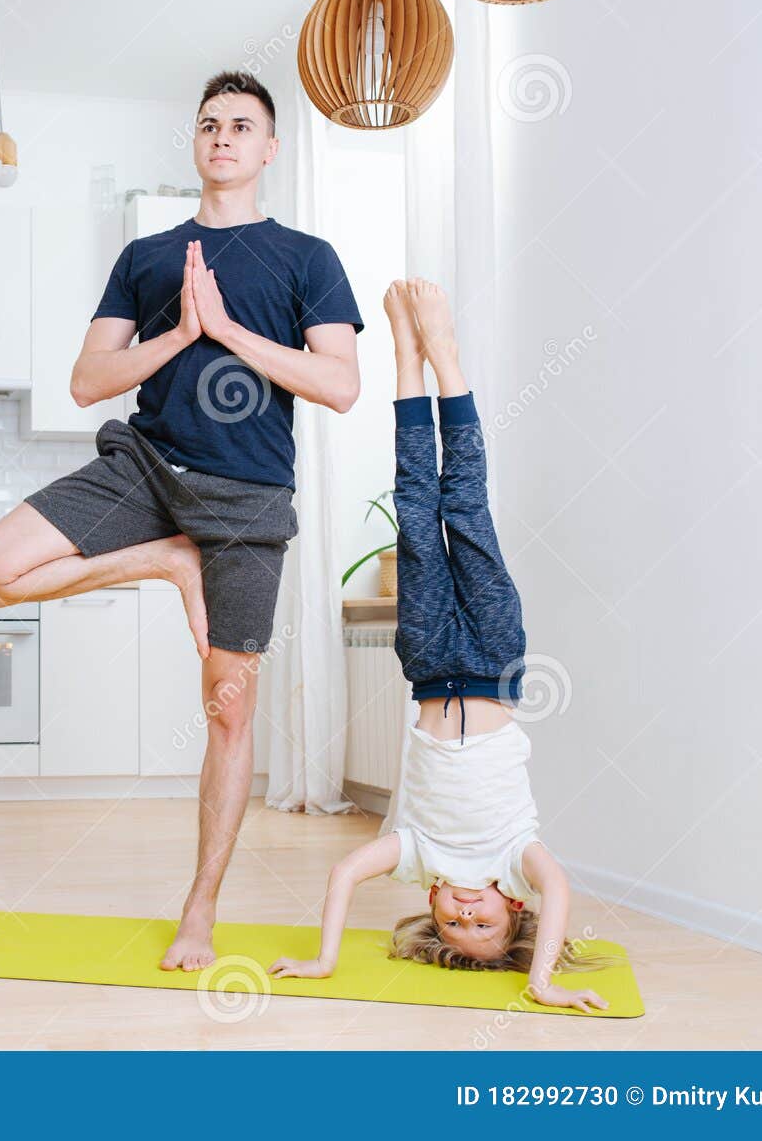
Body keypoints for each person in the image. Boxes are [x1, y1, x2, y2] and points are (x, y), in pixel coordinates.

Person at [0, 69, 363, 971]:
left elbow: (339, 384)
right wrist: (179, 333)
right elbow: (87, 379)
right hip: (145, 467)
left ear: (268, 148)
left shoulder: (308, 257)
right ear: (197, 142)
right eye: (211, 124)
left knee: (227, 709)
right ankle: (167, 560)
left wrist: (231, 331)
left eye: (242, 126)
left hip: (249, 500)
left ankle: (199, 912)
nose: (224, 137)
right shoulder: (147, 256)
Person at [266, 279, 610, 1012]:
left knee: (417, 505)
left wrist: (325, 957)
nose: (463, 911)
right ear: (510, 907)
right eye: (480, 920)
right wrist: (541, 979)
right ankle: (445, 357)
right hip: (492, 658)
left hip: (426, 661)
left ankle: (406, 359)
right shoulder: (515, 860)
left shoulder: (415, 854)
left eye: (452, 922)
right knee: (468, 505)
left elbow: (342, 876)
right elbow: (561, 887)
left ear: (431, 905)